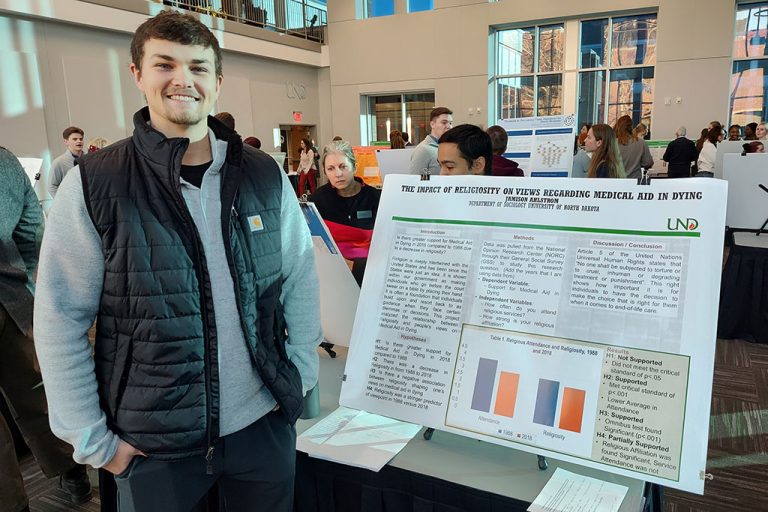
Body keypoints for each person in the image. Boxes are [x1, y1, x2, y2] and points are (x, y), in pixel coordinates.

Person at [33, 11, 322, 512]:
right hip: (152, 445)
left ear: (218, 81)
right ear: (137, 74)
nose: (182, 80)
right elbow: (60, 318)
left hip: (261, 428)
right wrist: (96, 443)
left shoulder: (262, 175)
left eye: (199, 67)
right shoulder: (96, 183)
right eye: (164, 64)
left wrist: (300, 374)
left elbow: (297, 277)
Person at [0, 147, 93, 511]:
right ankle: (74, 474)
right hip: (13, 298)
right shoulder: (6, 161)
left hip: (13, 300)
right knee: (37, 395)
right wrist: (28, 284)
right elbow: (30, 230)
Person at [308, 140, 381, 282]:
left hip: (369, 272)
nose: (338, 174)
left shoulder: (376, 198)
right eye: (331, 169)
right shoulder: (316, 201)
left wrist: (357, 266)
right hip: (331, 272)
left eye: (343, 166)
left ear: (354, 167)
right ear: (324, 172)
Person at [409, 106, 453, 175]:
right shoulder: (423, 149)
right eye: (444, 123)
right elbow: (415, 180)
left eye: (450, 123)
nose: (449, 126)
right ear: (432, 124)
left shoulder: (447, 147)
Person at [48, 126, 84, 198]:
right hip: (70, 203)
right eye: (75, 139)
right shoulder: (59, 162)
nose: (79, 141)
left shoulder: (88, 159)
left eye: (81, 139)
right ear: (66, 142)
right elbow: (52, 187)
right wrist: (62, 203)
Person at [613, 115, 652, 179]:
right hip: (634, 181)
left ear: (617, 126)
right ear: (631, 127)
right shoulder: (641, 142)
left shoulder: (612, 143)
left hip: (616, 181)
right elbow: (648, 162)